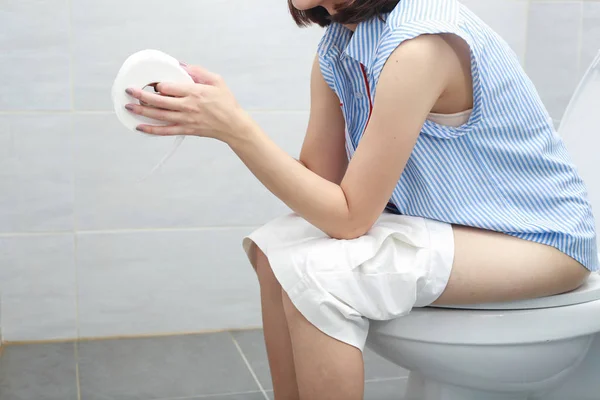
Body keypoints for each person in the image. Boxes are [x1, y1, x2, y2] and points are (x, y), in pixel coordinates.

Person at [123, 0, 598, 398]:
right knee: (275, 249)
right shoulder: (339, 45)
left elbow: (349, 218)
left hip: (542, 242)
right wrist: (227, 118)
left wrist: (237, 129)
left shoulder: (421, 47)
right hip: (468, 230)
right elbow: (319, 185)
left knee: (324, 278)